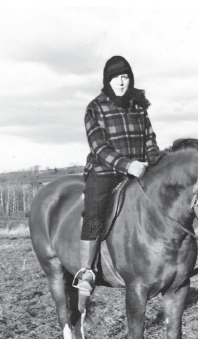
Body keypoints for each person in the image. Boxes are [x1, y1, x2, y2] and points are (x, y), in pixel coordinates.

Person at [74, 56, 163, 298]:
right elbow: (99, 148)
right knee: (94, 211)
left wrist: (153, 159)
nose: (121, 83)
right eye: (116, 78)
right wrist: (126, 165)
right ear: (108, 80)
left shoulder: (138, 106)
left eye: (125, 77)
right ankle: (87, 271)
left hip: (140, 170)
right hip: (106, 171)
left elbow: (149, 138)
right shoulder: (95, 108)